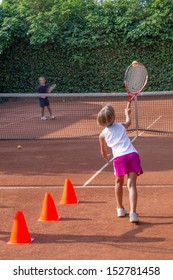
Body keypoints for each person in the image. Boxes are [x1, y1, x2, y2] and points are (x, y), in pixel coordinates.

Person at [97, 103, 143, 223]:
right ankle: (133, 214)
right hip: (132, 155)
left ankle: (120, 209)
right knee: (131, 185)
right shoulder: (122, 126)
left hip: (119, 159)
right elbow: (129, 122)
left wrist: (106, 158)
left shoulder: (102, 135)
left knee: (118, 182)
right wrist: (127, 114)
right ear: (113, 116)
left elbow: (103, 151)